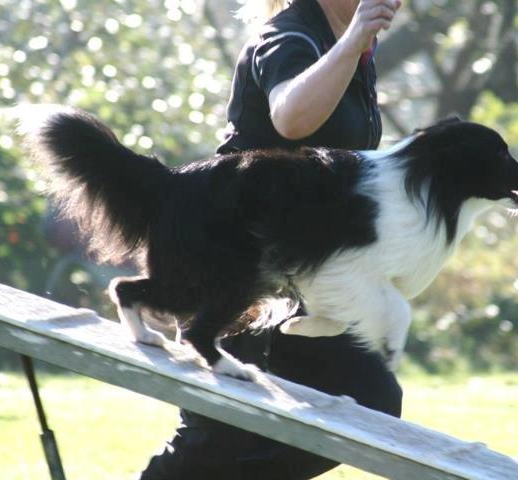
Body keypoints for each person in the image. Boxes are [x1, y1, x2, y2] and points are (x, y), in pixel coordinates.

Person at [139, 0, 403, 478]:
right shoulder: (290, 37)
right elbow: (290, 117)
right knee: (214, 439)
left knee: (372, 403)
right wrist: (354, 38)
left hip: (300, 278)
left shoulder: (354, 46)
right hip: (232, 263)